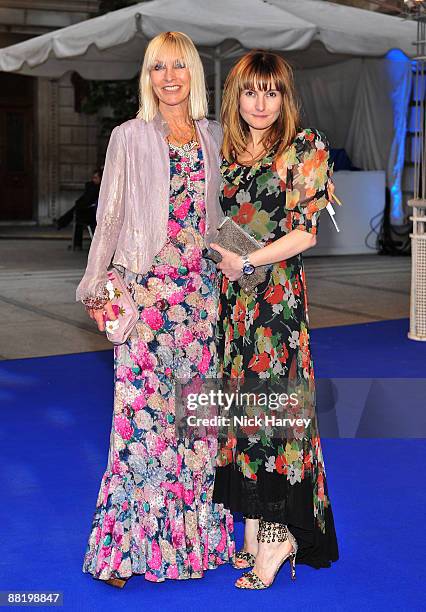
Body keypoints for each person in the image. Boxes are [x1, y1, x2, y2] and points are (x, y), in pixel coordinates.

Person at [75, 31, 234, 587]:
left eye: (179, 66)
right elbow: (110, 217)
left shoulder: (216, 137)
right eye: (158, 67)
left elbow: (222, 219)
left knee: (196, 429)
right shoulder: (130, 136)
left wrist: (260, 257)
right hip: (145, 301)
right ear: (148, 76)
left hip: (200, 305)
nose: (169, 77)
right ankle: (126, 550)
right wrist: (100, 288)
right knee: (139, 425)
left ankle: (191, 544)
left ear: (194, 73)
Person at [210, 50, 339, 590]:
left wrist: (249, 260)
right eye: (251, 91)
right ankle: (257, 521)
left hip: (276, 305)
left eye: (273, 91)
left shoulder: (304, 148)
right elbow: (221, 225)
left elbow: (306, 232)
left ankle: (279, 536)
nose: (261, 103)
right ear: (235, 95)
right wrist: (226, 256)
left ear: (286, 97)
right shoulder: (228, 154)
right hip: (235, 305)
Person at [56, 168, 102, 248]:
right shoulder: (91, 186)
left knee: (77, 213)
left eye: (96, 178)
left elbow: (90, 200)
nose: (94, 180)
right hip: (86, 209)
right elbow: (85, 198)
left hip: (92, 213)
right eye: (93, 178)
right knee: (77, 213)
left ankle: (61, 223)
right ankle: (76, 243)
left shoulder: (99, 188)